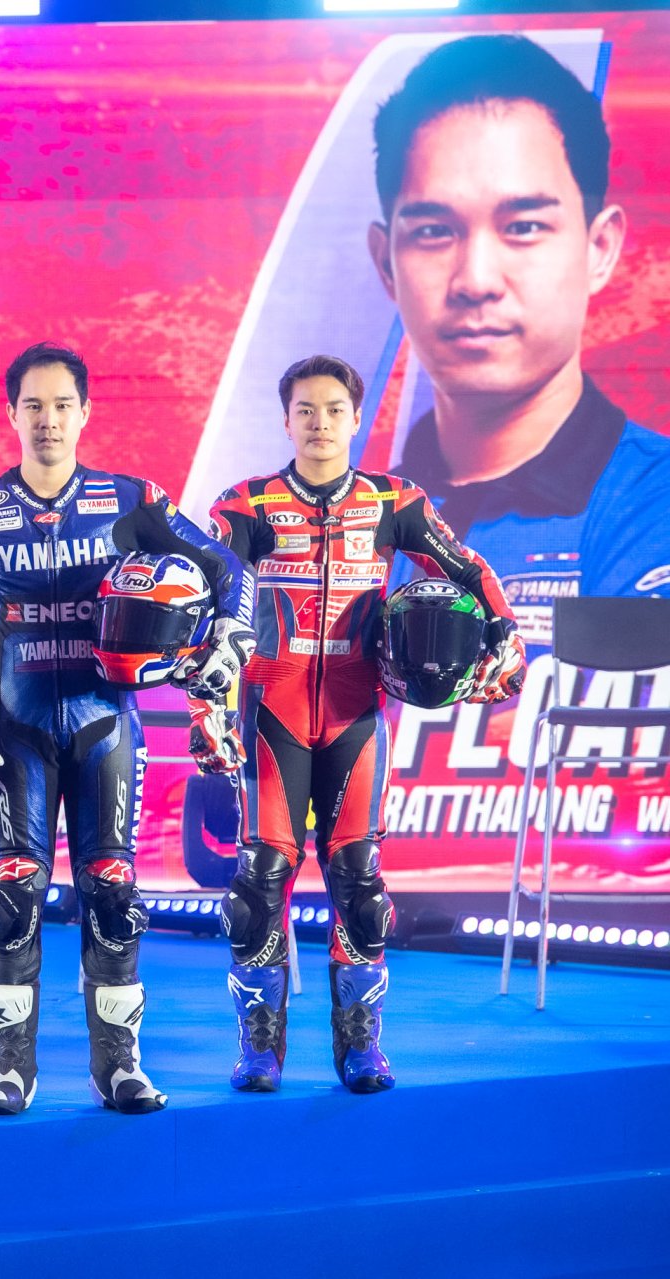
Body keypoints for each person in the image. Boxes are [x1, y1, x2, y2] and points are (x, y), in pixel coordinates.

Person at [0, 342, 253, 1116]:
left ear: (86, 412)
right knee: (12, 894)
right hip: (15, 731)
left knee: (113, 891)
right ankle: (9, 1070)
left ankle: (119, 1067)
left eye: (62, 405)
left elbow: (228, 570)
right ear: (11, 414)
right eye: (33, 405)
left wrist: (227, 642)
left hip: (107, 727)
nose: (48, 419)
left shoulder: (130, 500)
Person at [202, 354, 525, 1095]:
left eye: (333, 410)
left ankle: (360, 1047)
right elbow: (207, 607)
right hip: (270, 710)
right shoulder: (245, 504)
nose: (319, 423)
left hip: (357, 712)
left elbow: (468, 568)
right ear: (286, 421)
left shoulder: (394, 500)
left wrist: (506, 634)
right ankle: (260, 1049)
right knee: (257, 887)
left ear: (356, 419)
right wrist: (204, 706)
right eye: (305, 410)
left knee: (361, 887)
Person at [369, 34, 670, 632]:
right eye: (433, 231)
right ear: (386, 265)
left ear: (600, 248)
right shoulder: (349, 525)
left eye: (524, 226)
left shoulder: (652, 503)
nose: (476, 280)